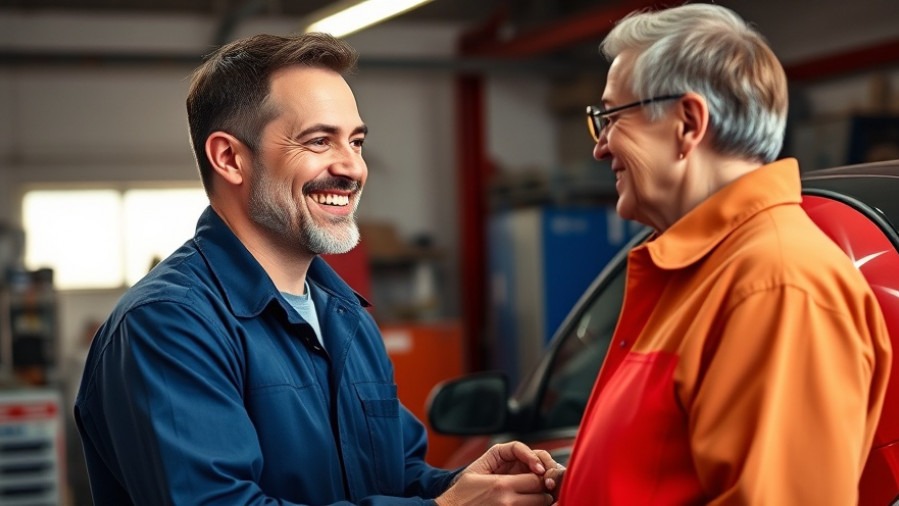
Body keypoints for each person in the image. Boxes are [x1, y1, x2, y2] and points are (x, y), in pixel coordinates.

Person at [74, 32, 559, 505]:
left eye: (357, 142)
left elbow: (393, 476)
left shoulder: (345, 316)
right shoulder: (168, 324)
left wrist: (470, 487)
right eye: (320, 141)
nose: (352, 168)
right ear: (229, 158)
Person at [543, 3, 892, 505]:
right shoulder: (700, 271)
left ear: (687, 122)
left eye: (613, 117)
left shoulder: (777, 284)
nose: (600, 147)